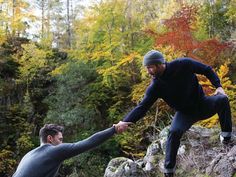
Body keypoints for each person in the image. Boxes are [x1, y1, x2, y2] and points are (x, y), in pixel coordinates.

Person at [118, 50, 232, 177]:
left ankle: (226, 137)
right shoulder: (155, 86)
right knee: (173, 132)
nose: (148, 71)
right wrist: (125, 121)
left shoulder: (183, 64)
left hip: (203, 103)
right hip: (185, 114)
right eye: (147, 68)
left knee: (222, 99)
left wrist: (218, 86)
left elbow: (206, 69)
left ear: (159, 64)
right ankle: (168, 171)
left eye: (150, 67)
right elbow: (142, 107)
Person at [13, 122, 131, 177]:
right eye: (60, 139)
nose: (62, 143)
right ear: (50, 138)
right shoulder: (53, 151)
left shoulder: (28, 155)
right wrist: (114, 129)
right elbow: (88, 143)